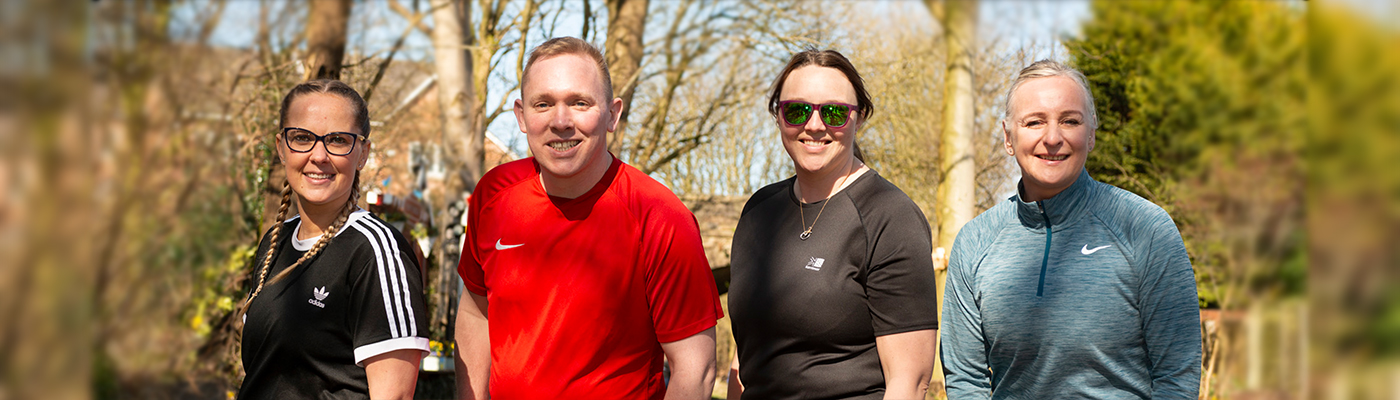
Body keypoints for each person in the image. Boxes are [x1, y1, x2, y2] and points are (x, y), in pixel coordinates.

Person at [453, 37, 723, 400]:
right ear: (521, 116)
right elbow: (475, 313)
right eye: (543, 104)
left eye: (579, 103)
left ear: (612, 114)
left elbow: (696, 369)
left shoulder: (660, 216)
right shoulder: (493, 195)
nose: (560, 121)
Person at [940, 60, 1201, 399]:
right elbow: (965, 381)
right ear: (1008, 136)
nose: (1052, 138)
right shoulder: (975, 243)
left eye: (1070, 121)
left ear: (1091, 133)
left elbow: (1177, 376)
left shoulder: (1145, 229)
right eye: (1034, 122)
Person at [726, 49, 939, 400]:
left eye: (834, 112)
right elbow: (746, 353)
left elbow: (909, 382)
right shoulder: (758, 212)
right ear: (778, 116)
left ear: (860, 117)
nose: (814, 125)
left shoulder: (890, 216)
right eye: (797, 110)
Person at [238, 79, 429, 400]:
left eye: (338, 140)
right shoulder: (275, 242)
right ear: (282, 148)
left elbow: (393, 396)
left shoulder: (375, 250)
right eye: (301, 138)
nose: (319, 155)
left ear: (363, 152)